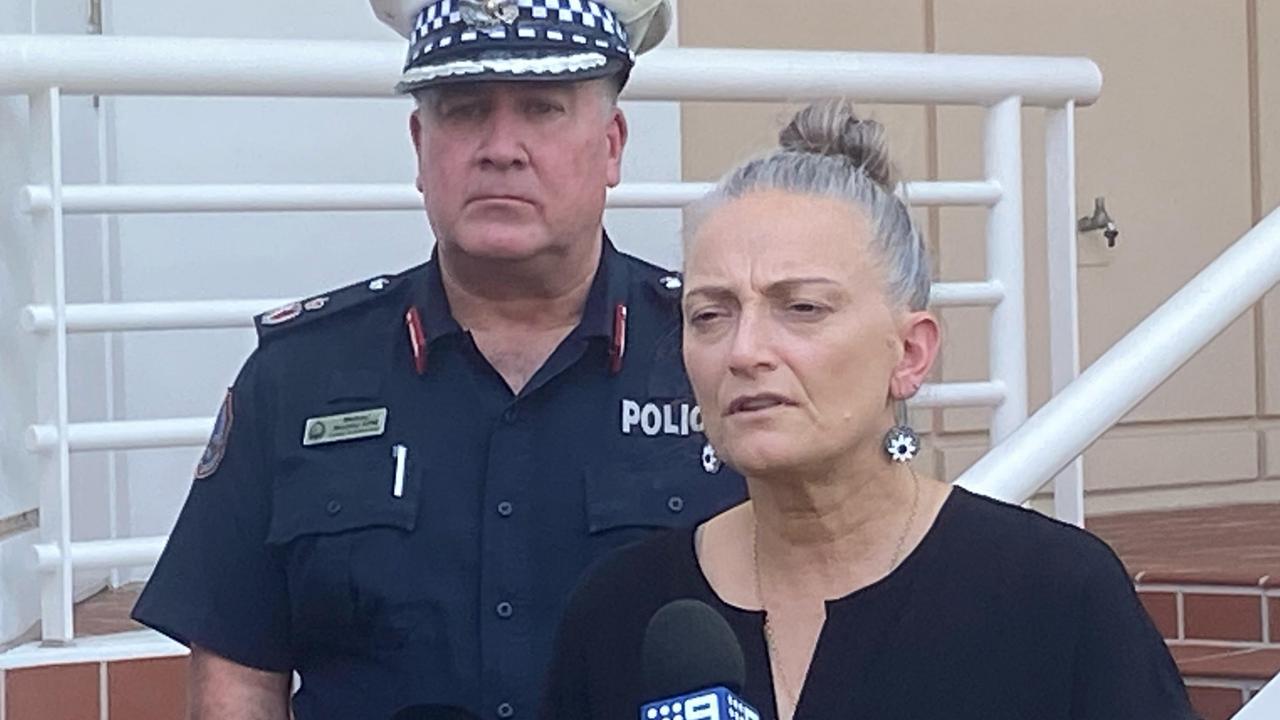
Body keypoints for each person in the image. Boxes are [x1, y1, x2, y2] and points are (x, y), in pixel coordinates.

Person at [131, 1, 745, 718]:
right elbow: (239, 669)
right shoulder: (301, 377)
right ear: (420, 145)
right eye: (464, 110)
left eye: (542, 108)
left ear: (612, 145)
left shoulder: (716, 357)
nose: (500, 147)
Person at [539, 100, 1196, 720]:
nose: (744, 350)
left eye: (802, 308)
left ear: (910, 353)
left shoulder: (1054, 594)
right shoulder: (621, 609)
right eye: (710, 314)